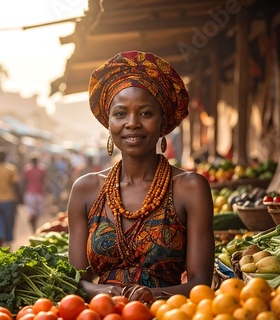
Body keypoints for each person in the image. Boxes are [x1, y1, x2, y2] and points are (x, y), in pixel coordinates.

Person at [67, 51, 215, 305]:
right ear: (108, 122)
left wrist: (151, 297)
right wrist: (111, 294)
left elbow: (200, 283)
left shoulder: (190, 188)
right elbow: (74, 281)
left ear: (163, 122)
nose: (132, 123)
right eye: (121, 114)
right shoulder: (86, 189)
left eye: (146, 113)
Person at [22, 155, 47, 233]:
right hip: (37, 192)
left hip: (31, 192)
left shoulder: (27, 169)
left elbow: (24, 182)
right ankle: (34, 227)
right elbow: (44, 180)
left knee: (34, 212)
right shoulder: (42, 169)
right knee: (34, 212)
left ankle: (34, 226)